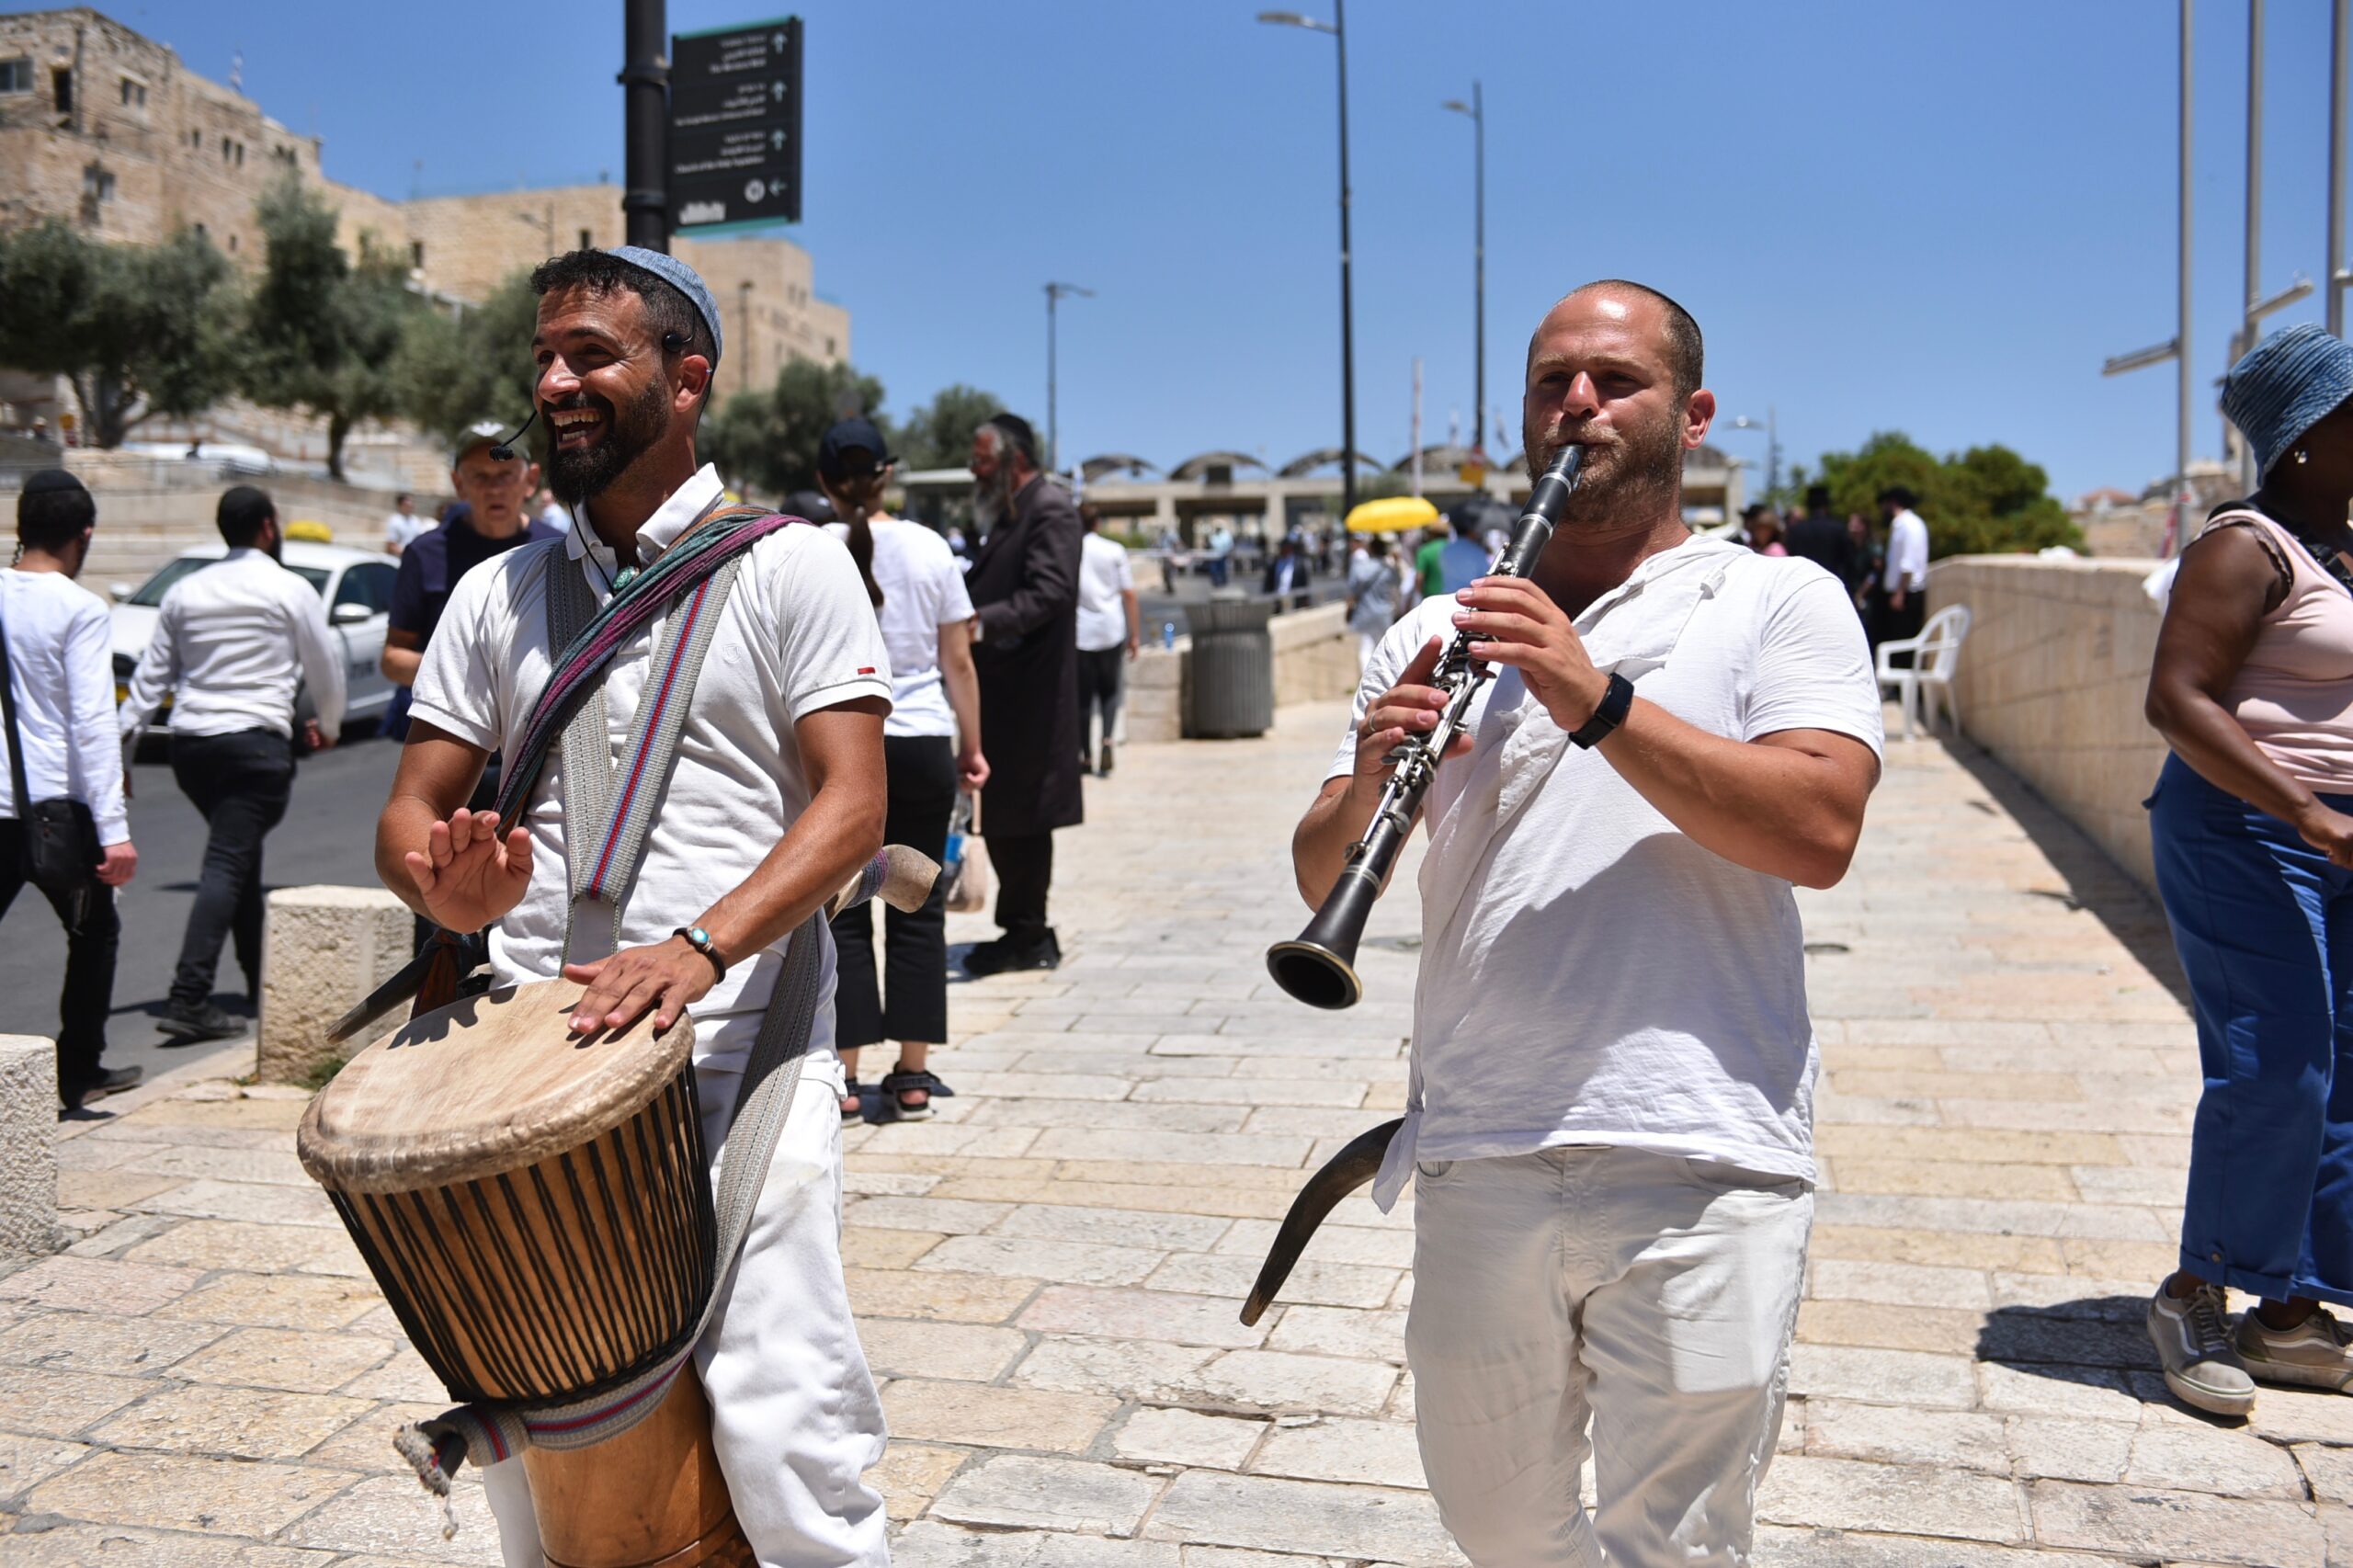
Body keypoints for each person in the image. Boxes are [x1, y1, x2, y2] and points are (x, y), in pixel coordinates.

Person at [1293, 280, 1881, 1565]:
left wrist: (1588, 693)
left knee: (1670, 1540)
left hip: (1701, 1144)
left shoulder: (1777, 600)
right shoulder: (1435, 627)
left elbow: (1820, 828)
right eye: (1553, 382)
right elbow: (1318, 870)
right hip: (1483, 1139)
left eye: (1616, 382)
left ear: (1696, 415)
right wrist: (1365, 782)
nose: (1577, 404)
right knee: (1497, 1527)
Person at [376, 246, 892, 1562]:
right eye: (545, 357)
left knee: (787, 1414)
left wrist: (701, 947)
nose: (557, 383)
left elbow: (853, 806)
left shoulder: (790, 567)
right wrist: (441, 880)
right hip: (534, 1075)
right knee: (548, 1447)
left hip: (740, 1045)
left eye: (592, 354)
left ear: (688, 377)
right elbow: (408, 811)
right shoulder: (498, 591)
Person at [2140, 323, 2353, 1418]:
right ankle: (2194, 1293)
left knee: (2343, 1072)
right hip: (2250, 827)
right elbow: (2176, 700)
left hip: (2332, 831)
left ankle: (2289, 1308)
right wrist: (2309, 809)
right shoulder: (2244, 546)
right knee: (2279, 1065)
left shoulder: (2340, 551)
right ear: (2309, 437)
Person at [119, 485, 345, 1042]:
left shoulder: (184, 592)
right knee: (227, 861)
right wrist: (331, 726)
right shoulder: (290, 589)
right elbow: (325, 668)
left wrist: (120, 754)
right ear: (269, 527)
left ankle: (254, 983)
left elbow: (150, 683)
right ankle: (189, 996)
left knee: (237, 854)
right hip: (255, 750)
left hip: (191, 748)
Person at [817, 415, 986, 1122]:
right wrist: (972, 749)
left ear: (826, 481)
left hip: (842, 744)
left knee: (846, 910)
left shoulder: (805, 549)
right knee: (919, 908)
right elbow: (958, 662)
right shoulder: (929, 549)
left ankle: (847, 1079)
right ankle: (913, 1077)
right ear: (889, 475)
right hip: (921, 740)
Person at [2, 472, 139, 1109]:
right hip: (52, 808)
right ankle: (78, 1070)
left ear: (20, 527)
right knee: (94, 933)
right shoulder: (78, 609)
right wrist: (113, 831)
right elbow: (91, 720)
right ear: (85, 535)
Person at [963, 414, 1082, 975]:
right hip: (1007, 696)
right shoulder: (1018, 511)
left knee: (1026, 821)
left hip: (1032, 698)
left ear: (1013, 459)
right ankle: (1020, 931)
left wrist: (978, 623)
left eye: (982, 458)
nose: (973, 468)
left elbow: (1051, 592)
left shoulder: (1051, 508)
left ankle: (1029, 935)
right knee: (1010, 818)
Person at [381, 422, 562, 747]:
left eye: (506, 474)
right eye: (479, 476)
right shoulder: (425, 553)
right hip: (448, 742)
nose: (494, 488)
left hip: (534, 745)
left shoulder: (560, 550)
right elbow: (393, 658)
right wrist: (473, 675)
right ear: (458, 483)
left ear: (531, 480)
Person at [1077, 503, 1141, 775]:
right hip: (1110, 629)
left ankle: (1086, 756)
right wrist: (1134, 634)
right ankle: (1106, 740)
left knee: (1083, 697)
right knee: (1109, 691)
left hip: (1080, 633)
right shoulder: (1114, 550)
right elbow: (1129, 593)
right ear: (1098, 523)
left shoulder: (1070, 551)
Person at [1870, 484, 1930, 659]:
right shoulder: (1904, 524)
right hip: (1904, 592)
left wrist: (1900, 593)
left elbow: (1908, 563)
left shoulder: (1907, 525)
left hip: (1907, 594)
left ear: (1893, 503)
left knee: (1904, 649)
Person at [1346, 534, 1403, 671]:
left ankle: (1366, 679)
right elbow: (1399, 582)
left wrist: (1348, 609)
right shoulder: (1388, 569)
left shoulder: (1360, 567)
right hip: (1384, 612)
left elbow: (1351, 591)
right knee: (1383, 648)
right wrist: (1396, 562)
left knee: (1365, 647)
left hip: (1364, 612)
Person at [1786, 483, 1858, 588]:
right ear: (1827, 505)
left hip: (1803, 588)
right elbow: (1849, 564)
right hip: (1833, 587)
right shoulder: (1838, 529)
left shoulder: (1796, 531)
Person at [1437, 500, 1495, 593]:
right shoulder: (1477, 551)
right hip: (1468, 600)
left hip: (1446, 598)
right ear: (1471, 530)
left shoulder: (1446, 550)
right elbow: (1485, 577)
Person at [1261, 531, 1313, 609]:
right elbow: (1268, 583)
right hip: (1277, 602)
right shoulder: (1275, 563)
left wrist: (1305, 601)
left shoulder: (1299, 563)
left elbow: (1304, 583)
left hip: (1293, 602)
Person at [383, 493, 430, 557]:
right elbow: (391, 545)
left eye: (412, 502)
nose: (411, 505)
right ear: (400, 505)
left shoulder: (415, 520)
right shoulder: (394, 521)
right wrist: (406, 553)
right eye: (408, 502)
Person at [1415, 524, 1449, 599]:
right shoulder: (1455, 550)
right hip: (1453, 596)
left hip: (1431, 597)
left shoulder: (1425, 551)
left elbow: (1419, 577)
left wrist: (1420, 593)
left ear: (1431, 534)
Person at [1207, 520, 1234, 588]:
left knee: (1222, 569)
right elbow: (1211, 544)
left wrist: (1228, 553)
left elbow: (1229, 545)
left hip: (1223, 555)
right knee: (1214, 569)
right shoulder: (1214, 535)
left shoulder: (1226, 534)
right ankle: (1216, 581)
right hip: (1214, 555)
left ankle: (1223, 581)